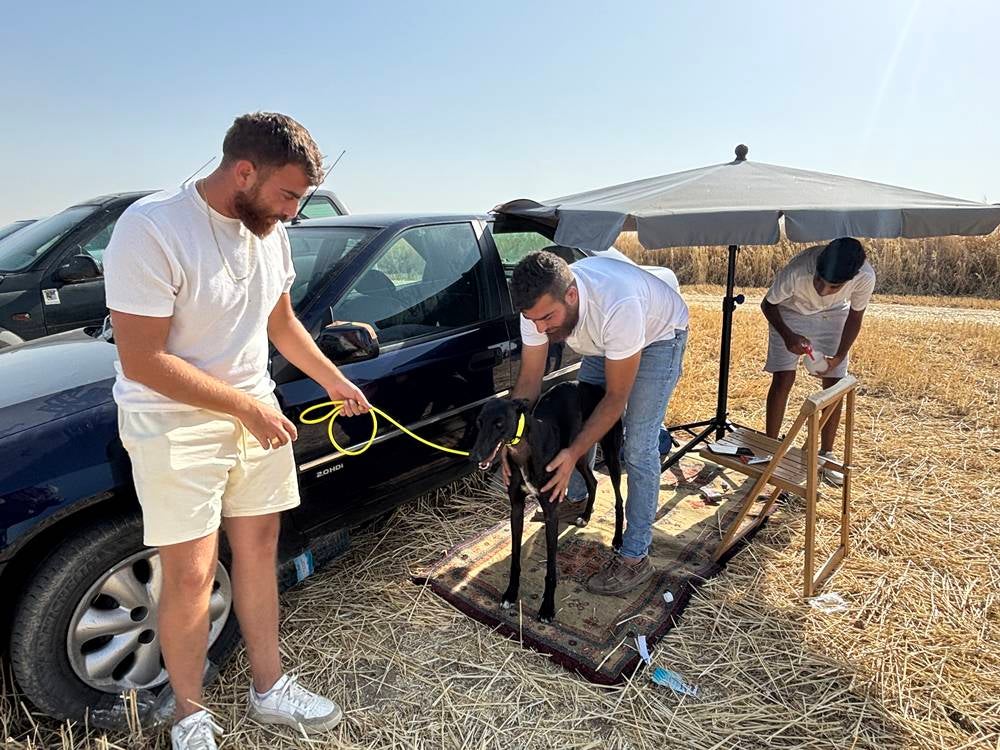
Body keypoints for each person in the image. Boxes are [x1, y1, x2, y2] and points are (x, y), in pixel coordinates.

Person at [104, 112, 372, 750]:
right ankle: (189, 717)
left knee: (258, 550)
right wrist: (245, 409)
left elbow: (281, 325)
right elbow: (144, 359)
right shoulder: (152, 227)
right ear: (243, 172)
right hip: (173, 421)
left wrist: (333, 378)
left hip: (255, 409)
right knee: (192, 573)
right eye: (287, 196)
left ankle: (269, 688)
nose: (292, 212)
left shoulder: (269, 231)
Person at [503, 250, 688, 595]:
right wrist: (511, 439)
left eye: (547, 318)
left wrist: (573, 453)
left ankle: (635, 556)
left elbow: (616, 399)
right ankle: (574, 498)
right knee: (578, 413)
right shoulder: (538, 310)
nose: (540, 328)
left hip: (659, 336)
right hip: (606, 341)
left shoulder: (617, 305)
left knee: (637, 445)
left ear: (571, 295)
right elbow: (529, 381)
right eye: (533, 321)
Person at [761, 237, 875, 485]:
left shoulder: (865, 276)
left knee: (834, 384)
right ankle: (770, 447)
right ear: (817, 266)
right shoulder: (797, 270)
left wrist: (840, 356)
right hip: (789, 311)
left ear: (851, 278)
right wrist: (788, 335)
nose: (823, 291)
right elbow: (768, 305)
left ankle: (826, 453)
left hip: (833, 315)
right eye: (819, 282)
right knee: (783, 376)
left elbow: (855, 317)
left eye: (833, 287)